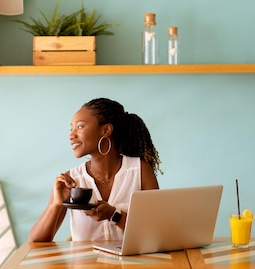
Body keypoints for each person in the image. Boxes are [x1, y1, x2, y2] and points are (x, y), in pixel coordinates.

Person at [29, 98, 161, 242]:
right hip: (86, 264)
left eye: (79, 127)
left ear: (105, 130)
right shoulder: (70, 179)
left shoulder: (140, 170)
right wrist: (55, 205)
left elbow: (156, 232)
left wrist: (114, 215)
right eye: (71, 129)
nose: (71, 136)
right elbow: (35, 242)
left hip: (133, 264)